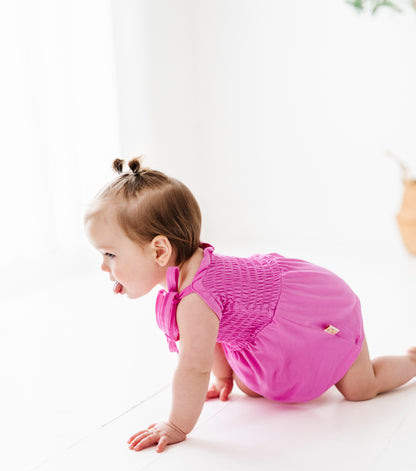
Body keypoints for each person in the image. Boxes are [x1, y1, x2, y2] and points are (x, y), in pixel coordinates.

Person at [84, 157, 416, 454]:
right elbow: (213, 335)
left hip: (317, 310)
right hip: (274, 315)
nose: (103, 266)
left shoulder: (195, 299)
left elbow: (193, 367)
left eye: (110, 255)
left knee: (360, 388)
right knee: (251, 387)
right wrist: (224, 377)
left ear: (159, 251)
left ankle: (410, 362)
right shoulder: (187, 277)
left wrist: (176, 425)